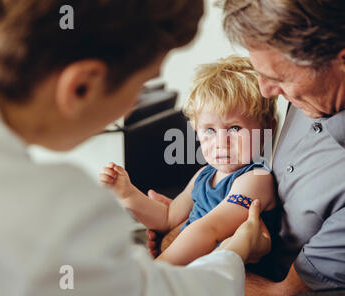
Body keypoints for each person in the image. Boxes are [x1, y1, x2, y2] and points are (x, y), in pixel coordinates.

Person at [149, 0, 345, 296]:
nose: (265, 91)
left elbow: (282, 295)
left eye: (278, 79)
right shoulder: (322, 85)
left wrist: (178, 250)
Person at [0, 0, 271, 296]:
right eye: (141, 86)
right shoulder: (62, 204)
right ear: (82, 85)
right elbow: (150, 290)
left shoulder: (253, 178)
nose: (134, 105)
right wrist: (236, 250)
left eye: (234, 129)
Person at [99, 56, 281, 266]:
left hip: (231, 277)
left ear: (268, 129)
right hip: (192, 267)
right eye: (210, 130)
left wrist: (159, 270)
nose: (221, 142)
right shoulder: (203, 175)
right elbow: (168, 217)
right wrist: (128, 194)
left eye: (234, 128)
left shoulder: (256, 179)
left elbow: (209, 229)